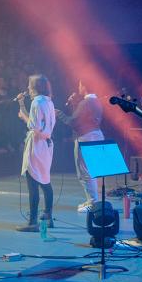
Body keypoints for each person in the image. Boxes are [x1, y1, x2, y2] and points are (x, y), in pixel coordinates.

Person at [55, 79, 104, 213]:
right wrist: (74, 105)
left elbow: (73, 122)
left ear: (84, 86)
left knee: (84, 172)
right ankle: (95, 201)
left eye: (80, 85)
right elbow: (83, 118)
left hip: (86, 137)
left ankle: (92, 202)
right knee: (94, 171)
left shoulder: (86, 102)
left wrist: (58, 113)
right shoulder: (96, 101)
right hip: (97, 135)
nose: (79, 87)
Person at [15, 74, 56, 232]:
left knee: (33, 182)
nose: (28, 89)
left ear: (36, 87)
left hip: (37, 145)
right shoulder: (48, 101)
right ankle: (48, 216)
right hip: (46, 145)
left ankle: (32, 222)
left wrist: (24, 117)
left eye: (30, 86)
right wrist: (21, 103)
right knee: (45, 180)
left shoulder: (37, 102)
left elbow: (33, 125)